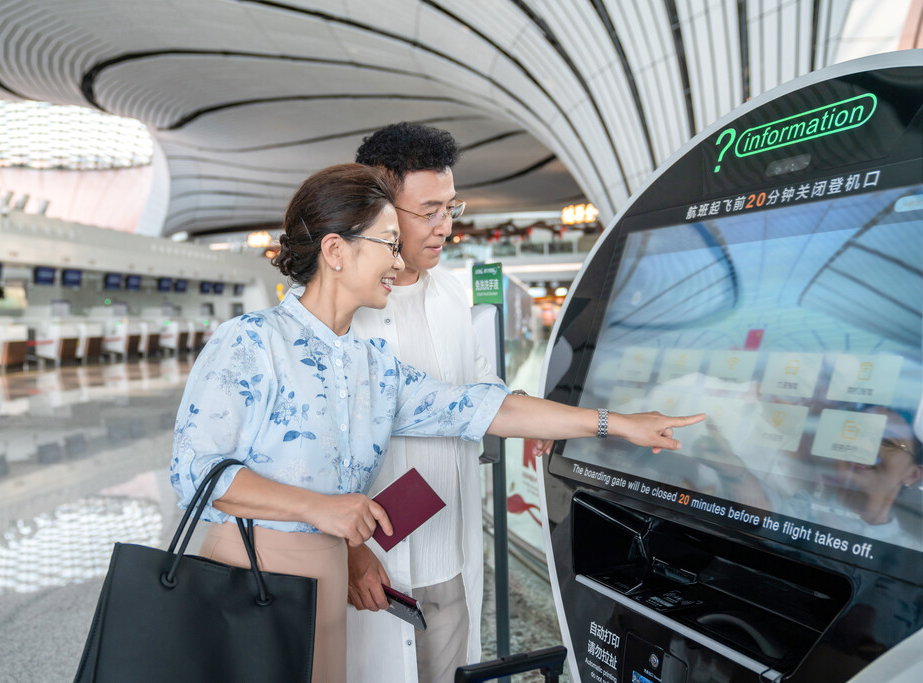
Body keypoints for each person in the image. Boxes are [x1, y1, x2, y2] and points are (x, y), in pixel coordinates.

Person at [169, 163, 703, 683]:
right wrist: (321, 509)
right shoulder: (251, 341)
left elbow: (481, 407)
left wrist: (617, 423)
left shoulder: (371, 364)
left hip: (324, 578)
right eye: (387, 243)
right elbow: (196, 471)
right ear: (335, 251)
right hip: (249, 572)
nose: (397, 261)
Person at [345, 122, 504, 683]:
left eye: (451, 208)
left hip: (448, 554)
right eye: (429, 211)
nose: (445, 227)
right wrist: (347, 552)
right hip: (371, 563)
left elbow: (483, 390)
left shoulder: (452, 292)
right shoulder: (343, 310)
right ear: (382, 209)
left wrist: (571, 418)